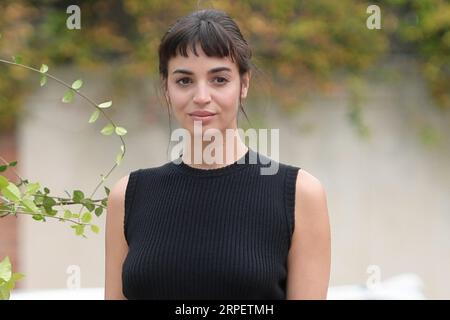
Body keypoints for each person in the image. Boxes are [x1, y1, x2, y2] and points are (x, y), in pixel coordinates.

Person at [105, 8, 330, 300]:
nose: (201, 96)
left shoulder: (300, 195)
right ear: (166, 87)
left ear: (244, 84)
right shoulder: (129, 196)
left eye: (219, 79)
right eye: (184, 80)